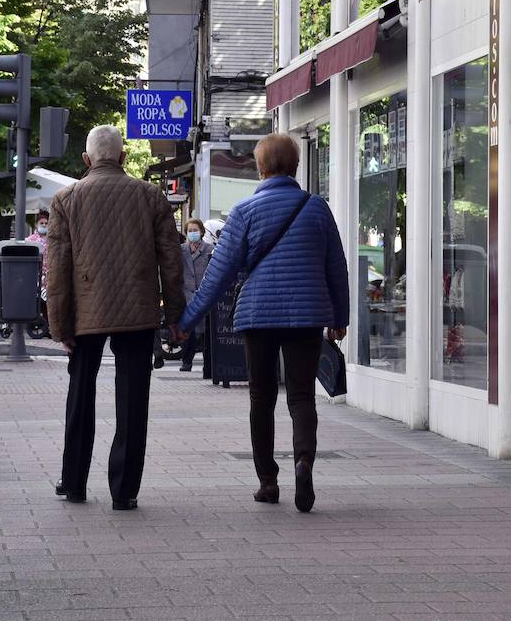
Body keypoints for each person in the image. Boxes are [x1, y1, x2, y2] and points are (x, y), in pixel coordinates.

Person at [173, 133, 349, 512]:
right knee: (302, 395)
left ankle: (268, 481)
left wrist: (186, 320)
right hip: (307, 316)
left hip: (258, 315)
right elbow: (336, 266)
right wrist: (340, 317)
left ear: (260, 167)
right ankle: (303, 460)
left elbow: (217, 276)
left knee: (261, 398)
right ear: (296, 167)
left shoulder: (244, 212)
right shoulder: (317, 209)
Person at [47, 125, 185, 510]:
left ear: (86, 160)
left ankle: (74, 482)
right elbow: (170, 261)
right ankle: (124, 491)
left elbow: (56, 270)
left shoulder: (66, 199)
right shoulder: (150, 196)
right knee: (132, 400)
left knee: (80, 397)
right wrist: (174, 313)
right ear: (124, 158)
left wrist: (60, 324)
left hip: (84, 313)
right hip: (138, 311)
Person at [178, 219, 214, 372]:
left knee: (206, 333)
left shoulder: (210, 249)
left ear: (201, 232)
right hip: (186, 296)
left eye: (195, 230)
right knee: (188, 331)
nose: (193, 233)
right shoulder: (181, 250)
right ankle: (187, 362)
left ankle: (209, 366)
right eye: (190, 231)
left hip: (204, 296)